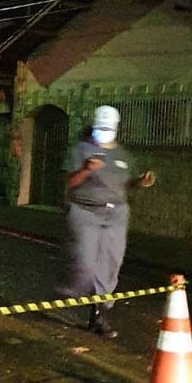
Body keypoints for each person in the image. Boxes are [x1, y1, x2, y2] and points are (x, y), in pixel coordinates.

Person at [60, 104, 155, 337]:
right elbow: (69, 182)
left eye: (108, 128)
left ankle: (98, 315)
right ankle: (73, 288)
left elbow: (127, 182)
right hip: (85, 210)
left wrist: (140, 182)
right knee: (85, 262)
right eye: (100, 127)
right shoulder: (80, 150)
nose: (103, 132)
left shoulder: (123, 155)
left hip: (116, 213)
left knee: (110, 265)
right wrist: (85, 169)